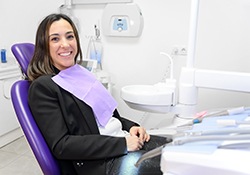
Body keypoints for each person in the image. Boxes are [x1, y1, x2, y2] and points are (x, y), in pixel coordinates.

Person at [27, 13, 169, 175]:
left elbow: (108, 117)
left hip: (122, 141)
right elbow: (62, 145)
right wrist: (123, 144)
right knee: (176, 166)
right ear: (44, 46)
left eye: (69, 36)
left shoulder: (81, 74)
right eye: (55, 39)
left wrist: (131, 127)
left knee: (180, 149)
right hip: (102, 162)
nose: (65, 44)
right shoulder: (44, 87)